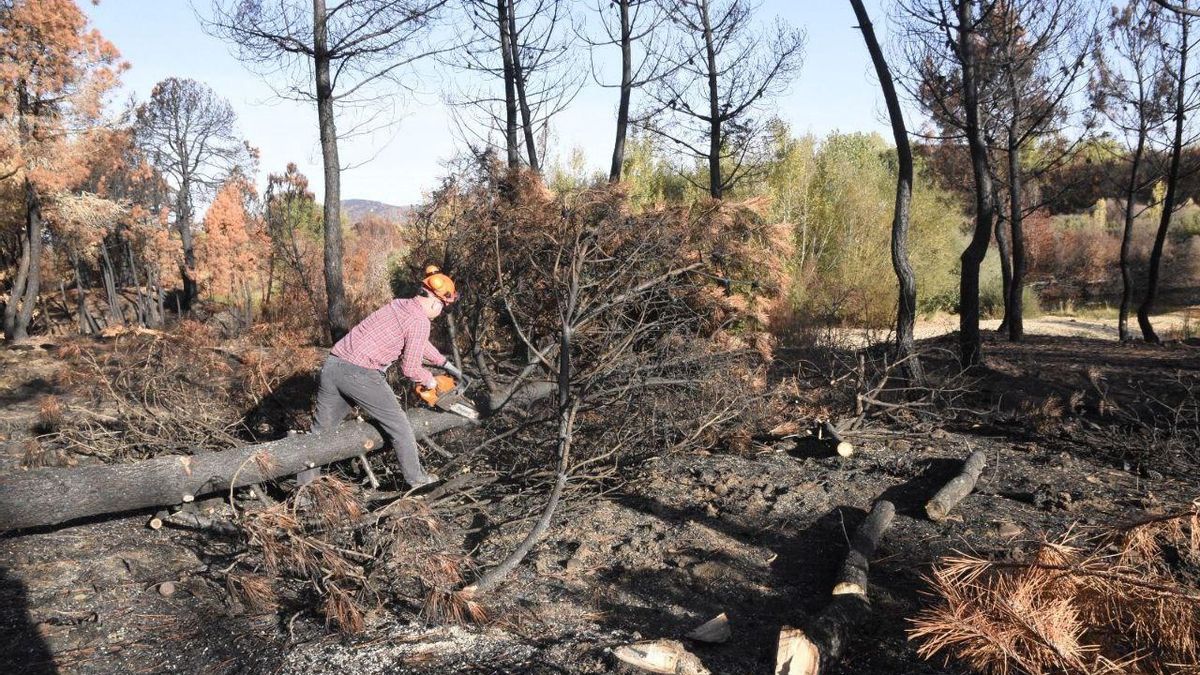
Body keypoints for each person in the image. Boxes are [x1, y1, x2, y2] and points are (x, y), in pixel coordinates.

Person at [299, 265, 463, 489]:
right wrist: (432, 381)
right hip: (361, 374)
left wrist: (444, 364)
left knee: (320, 434)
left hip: (333, 366)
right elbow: (410, 369)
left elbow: (420, 342)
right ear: (436, 302)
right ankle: (417, 480)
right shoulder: (420, 321)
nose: (440, 312)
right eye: (443, 307)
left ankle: (305, 491)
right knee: (400, 427)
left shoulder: (400, 305)